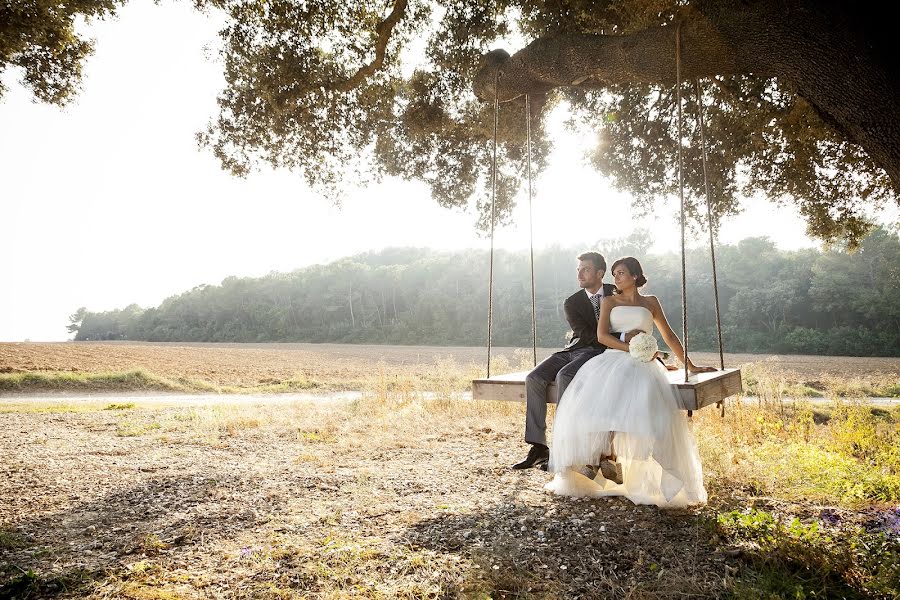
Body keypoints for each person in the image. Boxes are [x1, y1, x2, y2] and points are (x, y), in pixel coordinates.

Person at [544, 256, 715, 507]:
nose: (616, 278)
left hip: (644, 361)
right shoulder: (609, 301)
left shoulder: (651, 302)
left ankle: (611, 457)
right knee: (604, 387)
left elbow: (668, 335)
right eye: (614, 274)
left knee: (643, 393)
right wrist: (629, 347)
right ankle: (604, 454)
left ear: (635, 276)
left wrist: (691, 365)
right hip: (616, 356)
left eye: (621, 273)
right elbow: (602, 336)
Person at [511, 251, 618, 471]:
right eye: (578, 269)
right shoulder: (572, 302)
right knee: (534, 378)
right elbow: (583, 332)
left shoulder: (616, 292)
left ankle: (563, 445)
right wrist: (614, 337)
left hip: (599, 352)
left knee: (565, 376)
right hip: (575, 348)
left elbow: (625, 322)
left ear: (600, 272)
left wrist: (623, 340)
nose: (580, 274)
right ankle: (539, 446)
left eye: (586, 269)